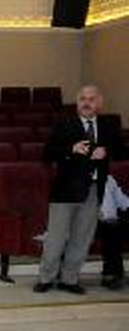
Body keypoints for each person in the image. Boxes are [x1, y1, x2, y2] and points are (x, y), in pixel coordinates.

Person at [35, 85, 124, 294]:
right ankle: (46, 278)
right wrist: (71, 149)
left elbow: (122, 150)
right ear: (77, 102)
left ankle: (69, 279)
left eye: (91, 99)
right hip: (65, 191)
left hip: (93, 190)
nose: (86, 103)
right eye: (83, 99)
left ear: (99, 103)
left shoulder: (108, 125)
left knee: (81, 238)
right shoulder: (64, 124)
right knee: (56, 238)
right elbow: (47, 153)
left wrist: (106, 151)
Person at [97, 173, 128, 290]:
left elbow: (121, 200)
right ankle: (111, 274)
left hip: (113, 220)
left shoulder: (109, 178)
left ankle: (115, 273)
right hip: (90, 221)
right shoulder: (79, 177)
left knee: (114, 227)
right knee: (112, 231)